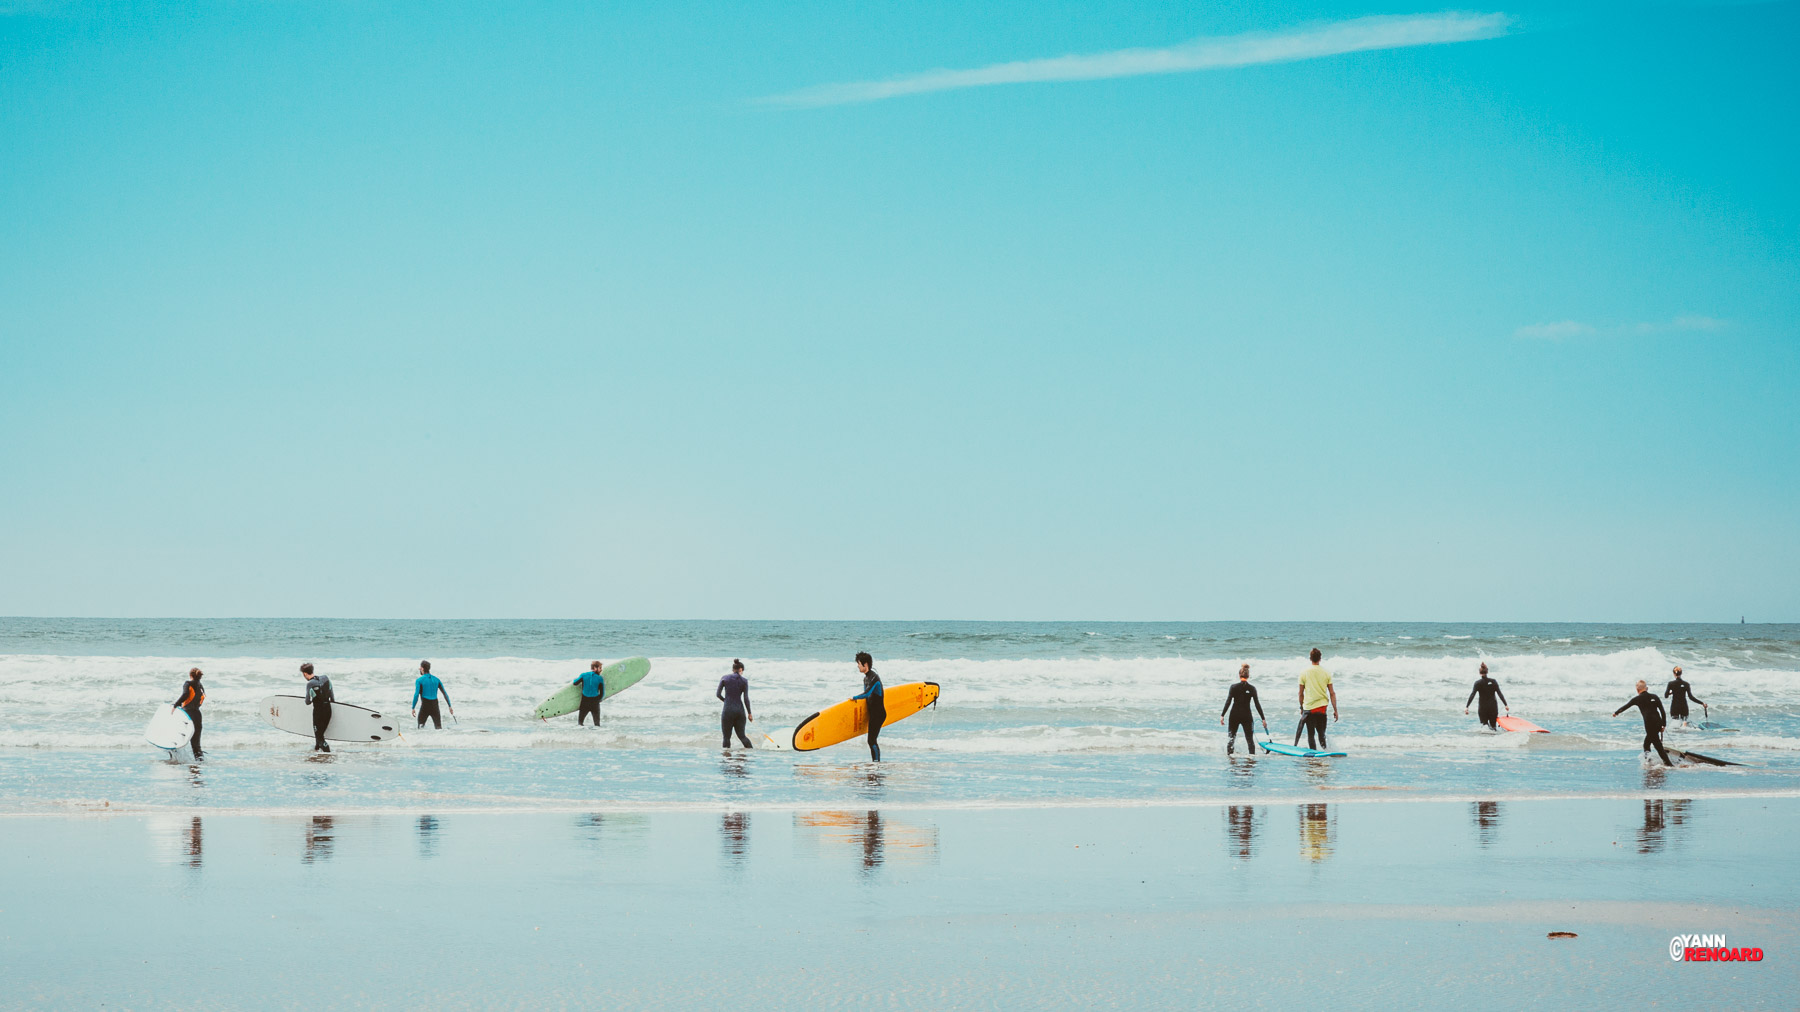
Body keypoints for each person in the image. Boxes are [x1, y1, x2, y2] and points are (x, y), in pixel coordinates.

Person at [1613, 679, 1672, 766]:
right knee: (1647, 744)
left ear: (1637, 690)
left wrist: (1616, 713)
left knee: (1657, 746)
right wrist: (1663, 725)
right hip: (1658, 722)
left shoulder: (1637, 699)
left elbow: (1626, 706)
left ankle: (1669, 765)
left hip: (1649, 724)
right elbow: (1662, 711)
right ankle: (1649, 762)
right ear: (1646, 688)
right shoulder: (1655, 697)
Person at [1219, 664, 1267, 755]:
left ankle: (1231, 761)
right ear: (1248, 676)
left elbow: (1228, 702)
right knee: (1250, 741)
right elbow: (1257, 704)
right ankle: (1251, 760)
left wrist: (1222, 715)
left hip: (1234, 715)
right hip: (1247, 716)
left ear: (1239, 675)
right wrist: (1263, 719)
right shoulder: (1252, 688)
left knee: (1231, 739)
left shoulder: (1233, 687)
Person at [1298, 648, 1338, 750]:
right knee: (1321, 734)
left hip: (1309, 708)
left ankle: (1314, 758)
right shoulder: (1326, 673)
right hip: (1322, 708)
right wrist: (1335, 710)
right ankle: (1324, 753)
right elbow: (1332, 693)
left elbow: (1300, 693)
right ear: (1320, 658)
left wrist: (1301, 707)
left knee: (1311, 734)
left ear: (1310, 658)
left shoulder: (1304, 673)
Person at [851, 651, 885, 762]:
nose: (858, 666)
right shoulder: (866, 678)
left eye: (859, 664)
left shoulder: (874, 678)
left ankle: (876, 764)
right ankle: (875, 764)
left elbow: (866, 693)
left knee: (871, 740)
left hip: (878, 714)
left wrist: (854, 697)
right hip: (873, 713)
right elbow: (867, 698)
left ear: (865, 665)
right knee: (871, 740)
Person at [717, 659, 754, 748]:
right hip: (740, 711)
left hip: (728, 710)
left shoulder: (724, 678)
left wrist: (726, 701)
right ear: (741, 670)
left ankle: (727, 759)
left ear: (733, 669)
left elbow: (718, 694)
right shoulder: (744, 681)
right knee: (742, 736)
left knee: (726, 738)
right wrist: (749, 713)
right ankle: (751, 754)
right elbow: (746, 698)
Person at [172, 667, 206, 760]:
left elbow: (185, 694)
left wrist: (175, 705)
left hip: (187, 715)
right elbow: (202, 697)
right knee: (196, 744)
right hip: (197, 715)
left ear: (190, 675)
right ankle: (199, 763)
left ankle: (174, 759)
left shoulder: (188, 683)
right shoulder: (200, 685)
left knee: (176, 737)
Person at [1464, 662, 1509, 730]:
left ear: (1479, 673)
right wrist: (1505, 705)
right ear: (1487, 671)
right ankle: (1494, 740)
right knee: (1493, 728)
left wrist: (1467, 707)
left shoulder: (1477, 683)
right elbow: (1499, 693)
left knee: (1484, 728)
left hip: (1483, 708)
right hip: (1493, 707)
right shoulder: (1493, 681)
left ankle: (1485, 740)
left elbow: (1472, 695)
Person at [411, 660, 453, 729]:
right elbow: (444, 693)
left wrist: (413, 707)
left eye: (420, 668)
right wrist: (450, 706)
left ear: (422, 668)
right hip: (435, 706)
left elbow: (416, 695)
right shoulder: (436, 679)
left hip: (425, 706)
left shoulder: (419, 680)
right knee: (438, 727)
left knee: (420, 727)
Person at [302, 662, 333, 753]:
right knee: (319, 735)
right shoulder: (325, 678)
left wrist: (310, 700)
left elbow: (307, 702)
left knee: (319, 737)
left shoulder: (310, 684)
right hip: (328, 710)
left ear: (305, 674)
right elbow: (332, 695)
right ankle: (317, 754)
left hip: (319, 712)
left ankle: (328, 755)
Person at [573, 661, 605, 726]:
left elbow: (575, 683)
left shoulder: (583, 675)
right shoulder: (600, 678)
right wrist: (599, 700)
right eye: (600, 668)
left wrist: (574, 679)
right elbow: (602, 693)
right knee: (597, 724)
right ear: (595, 668)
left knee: (580, 723)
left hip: (585, 701)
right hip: (595, 702)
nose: (601, 669)